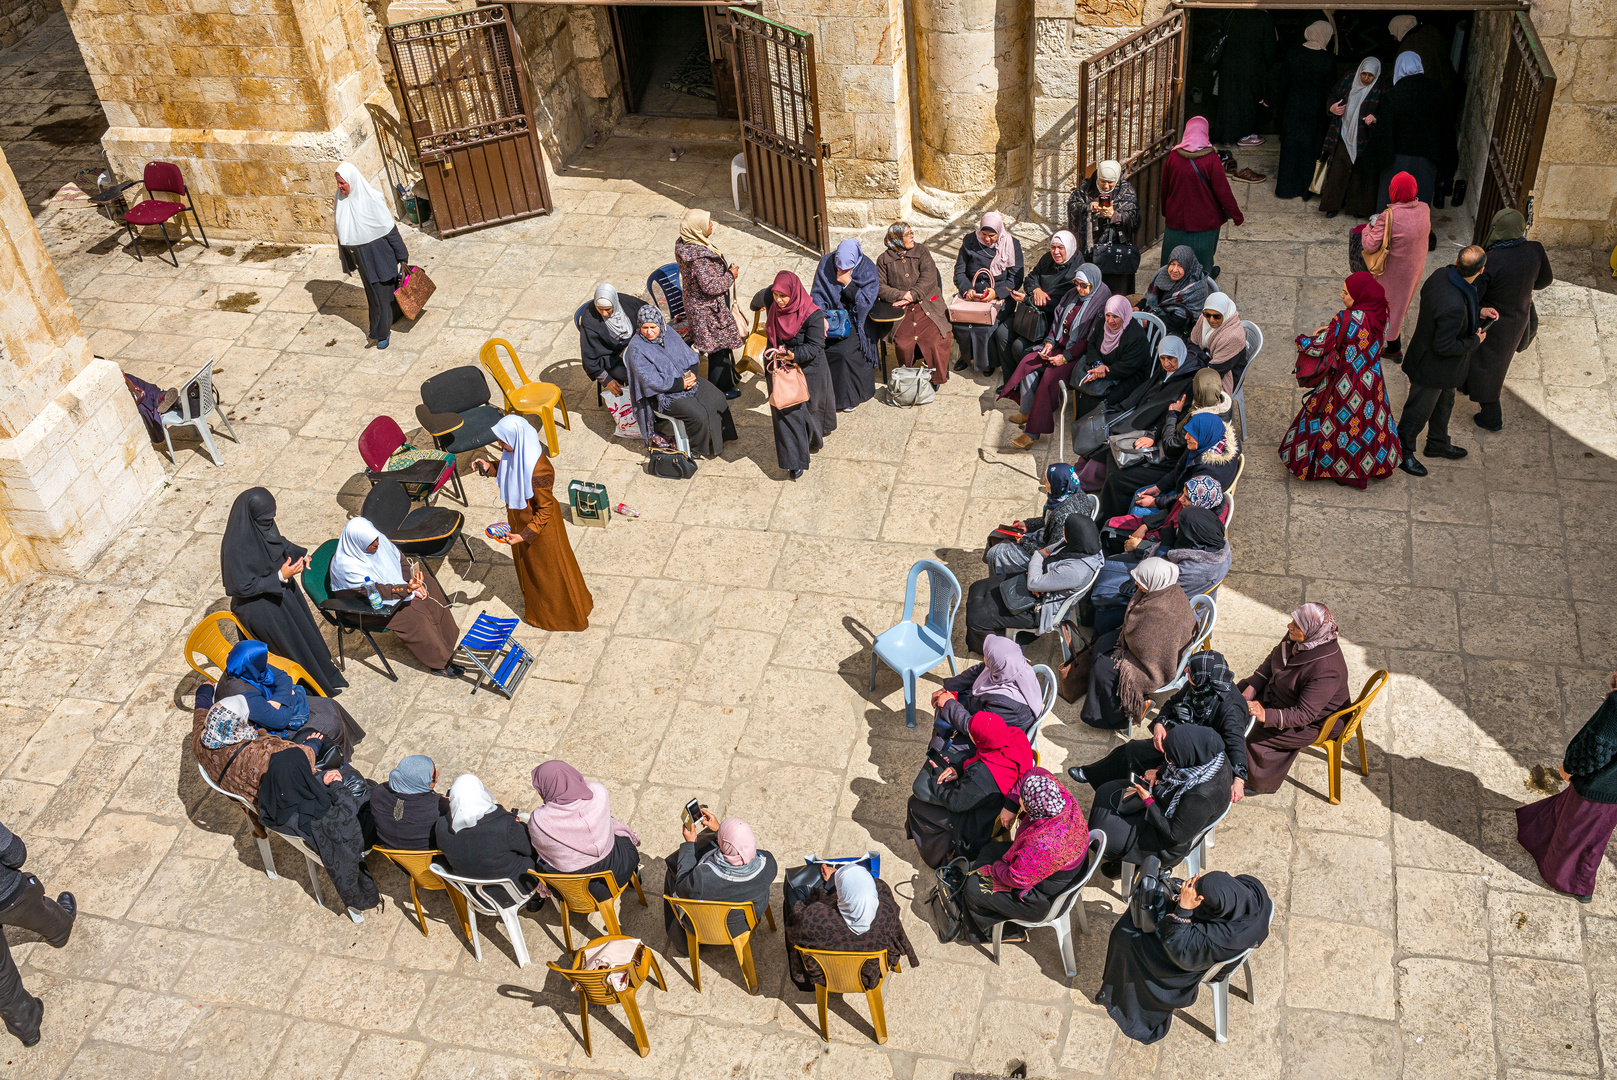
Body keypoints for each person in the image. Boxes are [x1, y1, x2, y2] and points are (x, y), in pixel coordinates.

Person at [1096, 869, 1272, 1044]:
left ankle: (1124, 1000)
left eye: (1198, 889)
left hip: (1192, 962)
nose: (1194, 883)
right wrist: (1201, 886)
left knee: (1126, 938)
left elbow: (1177, 948)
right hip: (1221, 948)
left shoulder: (1212, 940)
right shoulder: (1252, 889)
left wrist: (1184, 908)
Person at [1071, 651, 1251, 802]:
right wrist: (1160, 723)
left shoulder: (1230, 710)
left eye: (1191, 671)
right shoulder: (1200, 684)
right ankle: (1096, 776)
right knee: (1130, 751)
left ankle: (1111, 786)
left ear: (1203, 678)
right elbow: (1172, 703)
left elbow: (1236, 744)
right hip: (1179, 738)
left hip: (1196, 758)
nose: (1186, 671)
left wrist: (1239, 780)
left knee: (1135, 756)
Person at [1280, 272, 1402, 489]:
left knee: (1336, 425)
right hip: (1371, 382)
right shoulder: (1382, 310)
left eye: (1346, 292)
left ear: (1359, 295)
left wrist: (1301, 340)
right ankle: (1365, 468)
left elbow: (1319, 347)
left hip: (1343, 384)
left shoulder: (1345, 319)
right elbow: (1362, 337)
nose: (1341, 295)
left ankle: (1336, 468)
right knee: (1368, 425)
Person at [471, 415, 594, 630]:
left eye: (503, 440)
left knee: (551, 574)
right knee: (531, 570)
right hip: (520, 521)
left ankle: (564, 617)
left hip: (540, 530)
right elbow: (512, 470)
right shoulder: (516, 453)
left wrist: (524, 535)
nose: (500, 445)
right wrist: (489, 467)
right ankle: (538, 611)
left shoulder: (540, 470)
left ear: (516, 438)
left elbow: (545, 509)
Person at [221, 487, 346, 695]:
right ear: (253, 517)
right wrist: (279, 576)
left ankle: (323, 675)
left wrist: (300, 555)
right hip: (262, 610)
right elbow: (240, 587)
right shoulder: (235, 548)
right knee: (291, 646)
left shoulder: (261, 524)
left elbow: (277, 541)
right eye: (265, 519)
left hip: (284, 595)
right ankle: (309, 688)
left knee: (305, 636)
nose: (269, 522)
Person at [1396, 247, 1499, 477]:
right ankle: (1402, 451)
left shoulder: (1441, 275)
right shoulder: (1453, 306)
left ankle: (1437, 442)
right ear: (1481, 270)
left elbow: (1447, 307)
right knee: (1418, 411)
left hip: (1443, 368)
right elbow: (1444, 346)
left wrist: (1479, 311)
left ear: (1456, 261)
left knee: (1445, 404)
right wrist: (1475, 340)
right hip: (1432, 369)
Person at [1516, 670, 1617, 903]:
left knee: (1583, 834)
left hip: (1602, 788)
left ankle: (1574, 882)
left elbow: (1596, 747)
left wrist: (1571, 767)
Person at [960, 769, 1092, 944]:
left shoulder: (1043, 843)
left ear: (1034, 808)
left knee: (973, 889)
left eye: (1023, 799)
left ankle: (1010, 931)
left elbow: (1016, 878)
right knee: (990, 850)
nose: (1020, 800)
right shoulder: (1061, 798)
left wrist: (995, 868)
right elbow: (1035, 771)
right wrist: (1012, 804)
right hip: (1064, 870)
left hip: (1042, 900)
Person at [1089, 725, 1232, 879]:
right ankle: (1123, 858)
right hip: (1166, 804)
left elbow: (1175, 834)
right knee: (1106, 791)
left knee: (1100, 838)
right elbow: (1178, 762)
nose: (1168, 761)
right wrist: (1160, 771)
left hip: (1165, 840)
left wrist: (1148, 801)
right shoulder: (1210, 754)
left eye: (1170, 758)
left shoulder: (1201, 796)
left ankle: (1128, 862)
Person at [329, 516, 462, 677]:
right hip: (363, 607)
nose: (377, 544)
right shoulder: (347, 567)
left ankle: (447, 640)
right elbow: (376, 591)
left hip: (388, 591)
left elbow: (400, 559)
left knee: (428, 584)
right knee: (412, 615)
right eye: (371, 543)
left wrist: (411, 581)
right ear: (358, 544)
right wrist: (407, 589)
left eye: (376, 539)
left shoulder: (378, 541)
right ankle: (440, 662)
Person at [1240, 604, 1351, 794]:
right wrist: (1253, 687)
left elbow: (1304, 714)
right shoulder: (1302, 637)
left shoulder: (1327, 670)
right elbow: (1274, 658)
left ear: (1312, 630)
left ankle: (1251, 781)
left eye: (1296, 625)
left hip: (1313, 722)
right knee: (1236, 694)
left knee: (1251, 735)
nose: (1289, 626)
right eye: (1293, 620)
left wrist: (1266, 715)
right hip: (1282, 693)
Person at [257, 746, 379, 916]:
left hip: (310, 841)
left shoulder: (271, 805)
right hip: (356, 834)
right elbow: (349, 813)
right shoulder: (320, 815)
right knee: (375, 792)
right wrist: (336, 784)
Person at [1080, 557, 1198, 731]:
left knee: (1103, 669)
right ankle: (1098, 692)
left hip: (1156, 664)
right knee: (1102, 642)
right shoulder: (1168, 587)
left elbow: (1141, 646)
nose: (1135, 582)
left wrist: (1127, 634)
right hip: (1159, 649)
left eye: (1141, 580)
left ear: (1155, 581)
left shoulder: (1158, 612)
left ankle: (1119, 715)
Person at [997, 263, 1109, 445]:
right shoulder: (1072, 294)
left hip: (1078, 356)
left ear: (1093, 283)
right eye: (1076, 283)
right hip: (1059, 345)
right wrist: (1049, 342)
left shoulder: (1100, 302)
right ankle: (1027, 411)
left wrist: (1064, 357)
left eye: (1083, 285)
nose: (1079, 288)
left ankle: (1031, 433)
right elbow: (1057, 320)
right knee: (1028, 362)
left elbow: (1089, 341)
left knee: (1049, 378)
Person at [1098, 361, 1222, 522]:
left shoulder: (1201, 419)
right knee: (1114, 457)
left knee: (1119, 475)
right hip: (1176, 461)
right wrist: (1153, 435)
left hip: (1172, 462)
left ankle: (1111, 521)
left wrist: (1172, 415)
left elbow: (1172, 447)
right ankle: (1112, 519)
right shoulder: (1210, 403)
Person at [1465, 209, 1553, 432]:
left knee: (1488, 370)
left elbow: (1475, 293)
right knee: (1491, 364)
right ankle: (1465, 386)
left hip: (1493, 322)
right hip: (1518, 319)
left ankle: (1491, 418)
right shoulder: (1535, 250)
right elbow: (1544, 281)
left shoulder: (1491, 260)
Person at [966, 514, 1106, 652]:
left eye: (1066, 528)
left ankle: (993, 651)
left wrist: (1038, 558)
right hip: (1041, 585)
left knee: (976, 617)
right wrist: (1038, 575)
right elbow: (1047, 554)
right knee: (977, 587)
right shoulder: (1078, 544)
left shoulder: (1075, 570)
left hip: (1040, 608)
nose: (1063, 529)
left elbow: (1035, 575)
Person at [1092, 505, 1232, 636]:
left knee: (1105, 598)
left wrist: (1165, 547)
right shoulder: (1217, 548)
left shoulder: (1194, 569)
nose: (1178, 532)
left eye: (1182, 530)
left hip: (1170, 612)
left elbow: (1158, 587)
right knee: (1110, 568)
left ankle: (1105, 641)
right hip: (1174, 591)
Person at [913, 711, 1033, 861]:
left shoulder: (981, 777)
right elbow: (981, 754)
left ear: (978, 742)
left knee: (915, 804)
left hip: (978, 825)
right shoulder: (1016, 734)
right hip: (997, 802)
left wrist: (937, 775)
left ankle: (939, 858)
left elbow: (954, 802)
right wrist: (958, 767)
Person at [218, 639, 364, 760]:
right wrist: (289, 695)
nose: (268, 658)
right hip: (270, 731)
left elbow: (283, 677)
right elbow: (279, 721)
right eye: (265, 657)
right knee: (331, 724)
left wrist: (279, 699)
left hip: (279, 705)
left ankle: (349, 744)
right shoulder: (243, 692)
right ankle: (337, 760)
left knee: (330, 704)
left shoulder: (246, 666)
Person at [623, 305, 736, 459]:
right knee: (698, 414)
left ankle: (720, 438)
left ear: (660, 325)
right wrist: (680, 384)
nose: (649, 332)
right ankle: (697, 448)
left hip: (686, 379)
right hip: (661, 395)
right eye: (645, 327)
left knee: (717, 398)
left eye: (653, 327)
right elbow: (650, 381)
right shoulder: (636, 348)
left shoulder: (668, 333)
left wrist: (691, 376)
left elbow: (689, 356)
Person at [0, 818, 76, 1047]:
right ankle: (60, 930)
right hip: (7, 897)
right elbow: (16, 855)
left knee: (1, 977)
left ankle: (28, 1028)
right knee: (34, 902)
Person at [752, 271, 835, 479]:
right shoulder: (771, 299)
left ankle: (812, 439)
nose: (778, 301)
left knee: (811, 409)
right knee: (786, 413)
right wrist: (759, 305)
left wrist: (793, 354)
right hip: (779, 369)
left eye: (783, 296)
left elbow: (816, 346)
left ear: (794, 293)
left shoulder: (812, 314)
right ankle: (794, 460)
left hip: (809, 369)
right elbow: (756, 301)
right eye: (776, 295)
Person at [786, 864, 919, 993]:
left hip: (825, 976)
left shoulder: (815, 918)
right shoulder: (886, 912)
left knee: (791, 892)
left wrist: (833, 882)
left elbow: (794, 927)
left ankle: (806, 986)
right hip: (869, 975)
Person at [526, 760, 641, 902]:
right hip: (622, 865)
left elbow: (544, 851)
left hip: (580, 893)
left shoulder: (539, 820)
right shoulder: (598, 791)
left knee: (539, 862)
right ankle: (633, 876)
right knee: (612, 825)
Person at [662, 811, 776, 950]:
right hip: (747, 919)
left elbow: (681, 888)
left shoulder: (703, 878)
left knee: (672, 873)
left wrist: (690, 844)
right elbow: (739, 848)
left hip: (711, 927)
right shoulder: (769, 863)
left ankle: (682, 944)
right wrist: (719, 830)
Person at [432, 774, 540, 906]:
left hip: (475, 896)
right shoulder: (504, 825)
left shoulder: (441, 827)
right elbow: (529, 849)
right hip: (514, 891)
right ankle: (536, 899)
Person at [192, 689, 311, 805]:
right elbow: (299, 760)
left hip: (239, 793)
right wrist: (312, 745)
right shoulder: (255, 753)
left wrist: (204, 690)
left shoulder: (200, 740)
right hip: (266, 802)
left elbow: (200, 714)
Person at [334, 161, 408, 348]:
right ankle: (392, 318)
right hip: (362, 257)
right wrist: (348, 261)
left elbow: (389, 229)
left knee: (379, 296)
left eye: (342, 182)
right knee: (377, 293)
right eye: (338, 182)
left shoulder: (373, 199)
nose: (339, 186)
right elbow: (343, 231)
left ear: (353, 181)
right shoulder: (341, 200)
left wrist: (402, 255)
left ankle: (381, 333)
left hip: (380, 254)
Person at [992, 231, 1081, 385]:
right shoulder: (1047, 259)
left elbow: (1059, 303)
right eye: (1053, 247)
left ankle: (1024, 381)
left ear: (1070, 247)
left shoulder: (1076, 270)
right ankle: (1011, 381)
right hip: (1032, 312)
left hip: (1052, 319)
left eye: (1061, 247)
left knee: (1019, 346)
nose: (1056, 252)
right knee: (1002, 332)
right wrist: (1036, 290)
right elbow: (1031, 278)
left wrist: (1028, 298)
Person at [1361, 171, 1432, 359]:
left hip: (1393, 272)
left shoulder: (1389, 216)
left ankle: (1374, 346)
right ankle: (1394, 347)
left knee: (1383, 308)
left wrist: (1368, 228)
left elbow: (1370, 245)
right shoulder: (1425, 208)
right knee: (1400, 306)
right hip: (1414, 269)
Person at [1124, 411, 1240, 525]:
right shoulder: (1204, 443)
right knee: (1138, 494)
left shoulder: (1209, 471)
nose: (1186, 437)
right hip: (1183, 489)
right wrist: (1159, 487)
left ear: (1203, 436)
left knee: (1139, 510)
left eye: (1191, 435)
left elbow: (1185, 499)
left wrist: (1156, 502)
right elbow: (1179, 469)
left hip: (1188, 506)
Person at [675, 208, 744, 397]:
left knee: (716, 346)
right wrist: (730, 275)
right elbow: (711, 287)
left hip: (697, 305)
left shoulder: (684, 244)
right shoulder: (700, 259)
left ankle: (727, 379)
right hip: (708, 311)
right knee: (718, 348)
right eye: (708, 223)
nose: (712, 225)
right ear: (697, 229)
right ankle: (720, 391)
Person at [1162, 117, 1243, 278]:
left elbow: (1165, 188)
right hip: (1205, 222)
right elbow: (1223, 192)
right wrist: (1236, 215)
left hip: (1176, 219)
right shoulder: (1211, 160)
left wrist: (1166, 211)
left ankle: (1171, 284)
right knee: (1203, 260)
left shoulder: (1173, 158)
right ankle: (1202, 280)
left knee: (1173, 258)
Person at [1372, 51, 1454, 210]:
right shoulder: (1436, 90)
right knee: (1420, 199)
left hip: (1397, 158)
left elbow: (1385, 130)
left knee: (1392, 200)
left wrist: (1378, 158)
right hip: (1427, 158)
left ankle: (1390, 231)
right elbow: (1446, 125)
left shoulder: (1394, 94)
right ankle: (1417, 232)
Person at [875, 221, 952, 388]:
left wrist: (912, 294)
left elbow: (929, 277)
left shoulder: (921, 251)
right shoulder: (883, 259)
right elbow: (880, 287)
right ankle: (908, 379)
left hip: (927, 304)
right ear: (896, 239)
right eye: (907, 234)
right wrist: (901, 296)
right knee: (903, 343)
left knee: (935, 339)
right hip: (901, 308)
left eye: (911, 232)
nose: (912, 236)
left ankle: (935, 375)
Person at [1268, 21, 1336, 201]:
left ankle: (1285, 189)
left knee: (1290, 148)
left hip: (1293, 109)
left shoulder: (1294, 54)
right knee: (1310, 150)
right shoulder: (1328, 60)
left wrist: (1269, 100)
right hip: (1316, 113)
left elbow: (1282, 82)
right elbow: (1331, 89)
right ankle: (1306, 190)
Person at [929, 635, 1046, 739]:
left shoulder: (1006, 705)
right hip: (986, 718)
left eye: (987, 657)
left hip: (997, 742)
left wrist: (949, 703)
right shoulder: (1011, 667)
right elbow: (978, 670)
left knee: (939, 739)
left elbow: (977, 729)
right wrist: (947, 687)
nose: (985, 658)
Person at [811, 239, 881, 412]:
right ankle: (826, 396)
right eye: (839, 266)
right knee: (819, 346)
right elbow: (817, 295)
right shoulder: (826, 263)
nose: (841, 270)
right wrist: (822, 317)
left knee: (844, 353)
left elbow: (866, 303)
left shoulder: (867, 268)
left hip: (858, 320)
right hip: (830, 316)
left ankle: (849, 398)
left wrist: (847, 283)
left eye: (847, 267)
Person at [986, 462, 1090, 576]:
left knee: (996, 553)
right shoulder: (1072, 492)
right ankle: (998, 570)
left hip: (1046, 555)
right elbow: (1049, 521)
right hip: (1046, 536)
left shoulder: (1062, 517)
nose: (1043, 481)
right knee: (996, 534)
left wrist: (1023, 540)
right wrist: (1027, 525)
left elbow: (1050, 552)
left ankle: (997, 582)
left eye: (1047, 479)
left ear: (1057, 484)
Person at [952, 211, 1024, 373]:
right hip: (973, 296)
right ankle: (966, 357)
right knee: (962, 323)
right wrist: (967, 290)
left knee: (985, 327)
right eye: (984, 234)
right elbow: (959, 272)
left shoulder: (1012, 244)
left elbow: (1015, 279)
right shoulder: (970, 241)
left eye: (992, 236)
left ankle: (988, 363)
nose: (987, 239)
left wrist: (996, 292)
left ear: (999, 232)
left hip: (1000, 297)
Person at [1317, 58, 1385, 219]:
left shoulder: (1382, 87)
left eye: (1370, 76)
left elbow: (1386, 111)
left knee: (1360, 173)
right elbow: (1333, 95)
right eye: (1364, 74)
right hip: (1343, 132)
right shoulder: (1349, 79)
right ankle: (1332, 205)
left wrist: (1375, 118)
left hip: (1364, 137)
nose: (1366, 78)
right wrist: (1332, 107)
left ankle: (1358, 208)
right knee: (1338, 171)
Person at [1066, 161, 1141, 294]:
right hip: (1088, 249)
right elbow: (1072, 206)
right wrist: (1089, 207)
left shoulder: (1126, 191)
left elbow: (1134, 219)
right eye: (1102, 181)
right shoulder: (1085, 187)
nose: (1106, 186)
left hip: (1113, 254)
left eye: (1110, 182)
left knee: (1114, 292)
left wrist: (1115, 215)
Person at [1072, 295, 1151, 417]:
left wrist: (1103, 372)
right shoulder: (1102, 325)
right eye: (1108, 315)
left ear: (1124, 315)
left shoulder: (1136, 336)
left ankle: (1097, 432)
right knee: (1085, 389)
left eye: (1115, 316)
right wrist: (1098, 365)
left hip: (1129, 377)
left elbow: (1128, 366)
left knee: (1102, 399)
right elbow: (1092, 345)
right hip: (1104, 369)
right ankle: (1082, 430)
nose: (1110, 321)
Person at [1211, 10, 1276, 146]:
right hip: (1252, 66)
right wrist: (1268, 67)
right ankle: (1245, 136)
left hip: (1229, 64)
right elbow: (1269, 48)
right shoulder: (1265, 18)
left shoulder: (1234, 13)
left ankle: (1226, 137)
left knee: (1228, 99)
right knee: (1248, 101)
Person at [579, 284, 647, 399]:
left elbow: (647, 311)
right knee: (641, 377)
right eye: (600, 309)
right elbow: (589, 358)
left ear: (615, 303)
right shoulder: (590, 321)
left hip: (636, 348)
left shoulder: (627, 303)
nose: (604, 314)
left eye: (608, 309)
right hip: (612, 360)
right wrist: (607, 380)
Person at [370, 754, 447, 852]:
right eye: (433, 776)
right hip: (430, 860)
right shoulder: (438, 808)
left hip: (398, 859)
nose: (438, 774)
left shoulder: (379, 792)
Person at [1141, 246, 1217, 339]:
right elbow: (1150, 296)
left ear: (1188, 265)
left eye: (1180, 266)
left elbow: (1179, 321)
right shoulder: (1163, 273)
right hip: (1158, 314)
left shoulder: (1196, 289)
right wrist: (1139, 306)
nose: (1174, 270)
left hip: (1179, 328)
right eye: (1172, 264)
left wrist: (1149, 322)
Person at [1186, 292, 1247, 393]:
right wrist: (1206, 359)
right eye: (1207, 314)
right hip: (1207, 364)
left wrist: (1200, 359)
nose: (1211, 320)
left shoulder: (1232, 337)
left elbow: (1215, 371)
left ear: (1225, 313)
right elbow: (1191, 343)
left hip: (1225, 374)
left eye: (1217, 316)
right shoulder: (1203, 318)